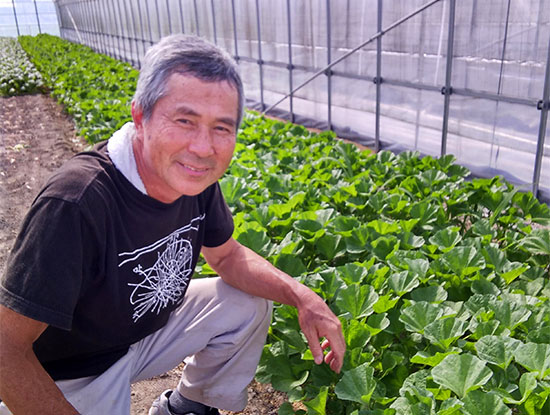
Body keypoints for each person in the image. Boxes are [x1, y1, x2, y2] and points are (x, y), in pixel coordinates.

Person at [0, 34, 345, 415]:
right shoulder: (76, 202)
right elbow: (5, 348)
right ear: (140, 117)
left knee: (247, 303)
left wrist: (304, 298)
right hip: (76, 371)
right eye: (185, 120)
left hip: (142, 335)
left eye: (221, 128)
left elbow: (227, 256)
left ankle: (185, 408)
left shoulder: (194, 179)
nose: (203, 147)